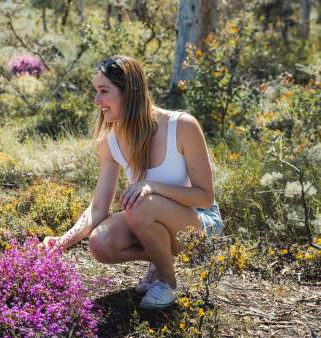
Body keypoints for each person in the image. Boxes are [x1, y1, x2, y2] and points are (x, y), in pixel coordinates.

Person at [43, 55, 223, 310]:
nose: (97, 101)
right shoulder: (109, 140)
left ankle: (167, 282)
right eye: (96, 92)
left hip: (201, 224)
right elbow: (98, 209)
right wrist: (63, 241)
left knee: (140, 204)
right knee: (100, 244)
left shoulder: (181, 126)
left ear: (130, 92)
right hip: (150, 214)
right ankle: (161, 258)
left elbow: (205, 197)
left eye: (104, 91)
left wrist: (153, 187)